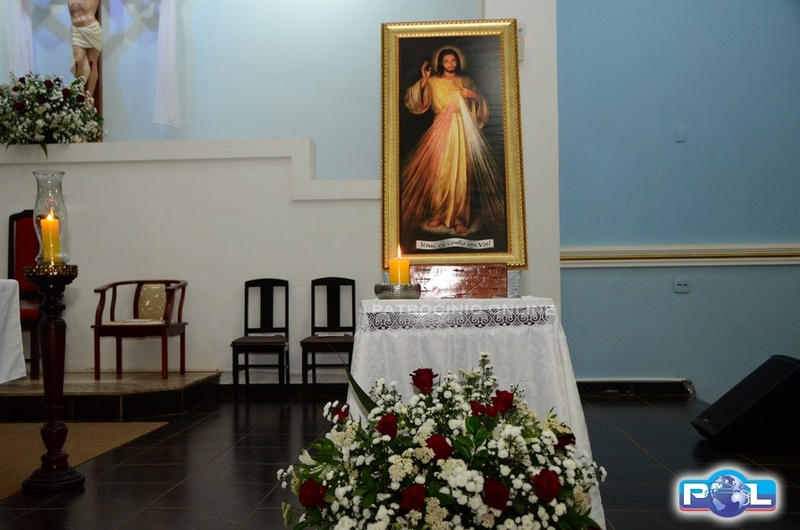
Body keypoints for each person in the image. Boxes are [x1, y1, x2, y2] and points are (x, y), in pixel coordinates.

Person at [401, 47, 504, 237]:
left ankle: (459, 218)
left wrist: (474, 96)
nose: (451, 64)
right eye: (446, 61)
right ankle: (439, 213)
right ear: (441, 63)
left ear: (458, 61)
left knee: (462, 174)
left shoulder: (466, 81)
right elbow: (416, 102)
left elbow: (479, 107)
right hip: (441, 130)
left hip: (462, 130)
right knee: (440, 173)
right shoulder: (433, 82)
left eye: (453, 60)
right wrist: (424, 80)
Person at [68, 0, 102, 98]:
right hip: (77, 31)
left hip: (92, 30)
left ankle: (89, 97)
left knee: (92, 63)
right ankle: (80, 94)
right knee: (78, 62)